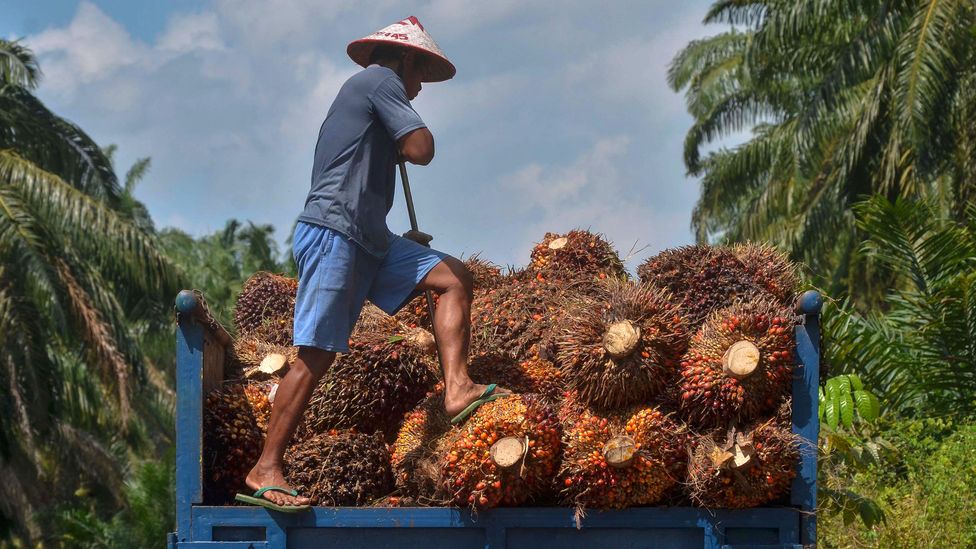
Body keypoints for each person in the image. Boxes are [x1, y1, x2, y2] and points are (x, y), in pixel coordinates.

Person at [238, 16, 508, 511]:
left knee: (452, 279)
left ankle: (456, 388)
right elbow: (422, 149)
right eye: (420, 74)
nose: (420, 87)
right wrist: (402, 129)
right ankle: (266, 467)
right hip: (335, 233)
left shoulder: (372, 93)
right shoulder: (379, 81)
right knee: (316, 354)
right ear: (405, 61)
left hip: (370, 238)